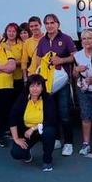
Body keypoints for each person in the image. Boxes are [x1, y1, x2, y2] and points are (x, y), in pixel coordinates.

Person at [30, 13, 77, 156]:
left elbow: (75, 56)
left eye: (52, 22)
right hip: (46, 83)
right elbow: (38, 61)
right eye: (47, 23)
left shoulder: (66, 39)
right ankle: (56, 139)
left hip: (61, 82)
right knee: (51, 113)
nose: (50, 25)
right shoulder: (42, 41)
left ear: (58, 24)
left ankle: (68, 143)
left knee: (64, 113)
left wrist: (61, 61)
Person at [9, 75, 57, 172]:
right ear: (28, 87)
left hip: (42, 129)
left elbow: (51, 120)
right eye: (32, 86)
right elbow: (12, 117)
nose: (35, 89)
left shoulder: (48, 98)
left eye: (38, 85)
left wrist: (33, 128)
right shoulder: (22, 98)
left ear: (42, 87)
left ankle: (47, 160)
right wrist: (16, 138)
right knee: (16, 153)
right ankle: (27, 154)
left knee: (49, 132)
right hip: (26, 132)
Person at [73, 28, 92, 156]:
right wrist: (77, 70)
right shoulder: (77, 55)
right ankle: (86, 143)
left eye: (89, 38)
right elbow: (74, 74)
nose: (86, 41)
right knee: (85, 115)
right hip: (83, 89)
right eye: (84, 38)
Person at [2, 22, 24, 97]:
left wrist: (12, 64)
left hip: (18, 78)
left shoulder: (22, 43)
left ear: (17, 33)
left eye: (14, 31)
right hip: (4, 78)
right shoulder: (1, 44)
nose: (11, 33)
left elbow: (24, 60)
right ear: (6, 32)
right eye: (9, 31)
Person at [21, 16, 43, 81]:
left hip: (47, 74)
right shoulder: (27, 42)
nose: (34, 28)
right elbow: (24, 61)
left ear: (40, 25)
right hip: (33, 75)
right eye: (31, 26)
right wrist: (25, 78)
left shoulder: (47, 39)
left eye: (36, 25)